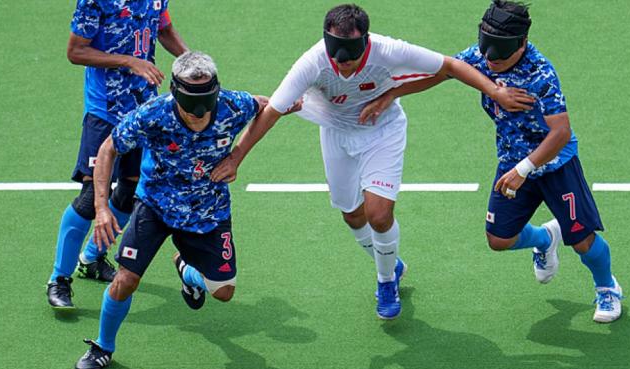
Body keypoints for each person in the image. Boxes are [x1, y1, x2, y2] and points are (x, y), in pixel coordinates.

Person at [210, 3, 535, 320]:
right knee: (352, 215)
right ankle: (392, 264)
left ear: (365, 42)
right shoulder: (312, 62)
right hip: (336, 132)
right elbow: (272, 111)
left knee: (379, 216)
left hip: (382, 131)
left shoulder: (388, 50)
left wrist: (495, 92)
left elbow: (449, 66)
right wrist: (237, 156)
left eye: (351, 59)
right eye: (338, 59)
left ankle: (386, 282)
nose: (344, 67)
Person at [363, 0, 623, 322]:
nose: (491, 59)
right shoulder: (482, 57)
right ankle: (545, 238)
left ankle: (606, 288)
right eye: (487, 51)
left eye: (500, 53)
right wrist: (393, 93)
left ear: (522, 44)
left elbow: (560, 133)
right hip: (512, 162)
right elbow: (444, 70)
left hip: (555, 165)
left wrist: (524, 169)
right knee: (499, 239)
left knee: (583, 241)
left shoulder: (541, 74)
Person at [74, 51, 270, 369]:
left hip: (209, 212)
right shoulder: (154, 114)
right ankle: (102, 346)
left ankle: (187, 270)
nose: (200, 112)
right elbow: (109, 148)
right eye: (192, 101)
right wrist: (101, 207)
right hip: (155, 207)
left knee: (224, 291)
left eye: (207, 99)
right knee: (126, 280)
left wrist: (237, 156)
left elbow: (268, 107)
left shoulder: (233, 105)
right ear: (177, 92)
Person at [47, 0, 189, 309]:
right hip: (105, 110)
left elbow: (163, 28)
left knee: (129, 191)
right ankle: (59, 279)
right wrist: (129, 61)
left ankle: (93, 258)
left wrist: (190, 60)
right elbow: (76, 51)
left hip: (143, 109)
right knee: (90, 199)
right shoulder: (94, 1)